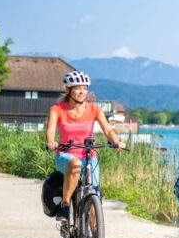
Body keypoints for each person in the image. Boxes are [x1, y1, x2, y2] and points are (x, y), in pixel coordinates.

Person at [45, 70, 126, 221]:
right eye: (77, 88)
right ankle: (65, 205)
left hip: (89, 156)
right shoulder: (57, 109)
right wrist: (51, 142)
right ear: (68, 90)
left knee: (94, 196)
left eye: (84, 88)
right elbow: (50, 129)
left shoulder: (94, 109)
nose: (82, 92)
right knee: (75, 164)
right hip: (66, 155)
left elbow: (107, 129)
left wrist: (115, 141)